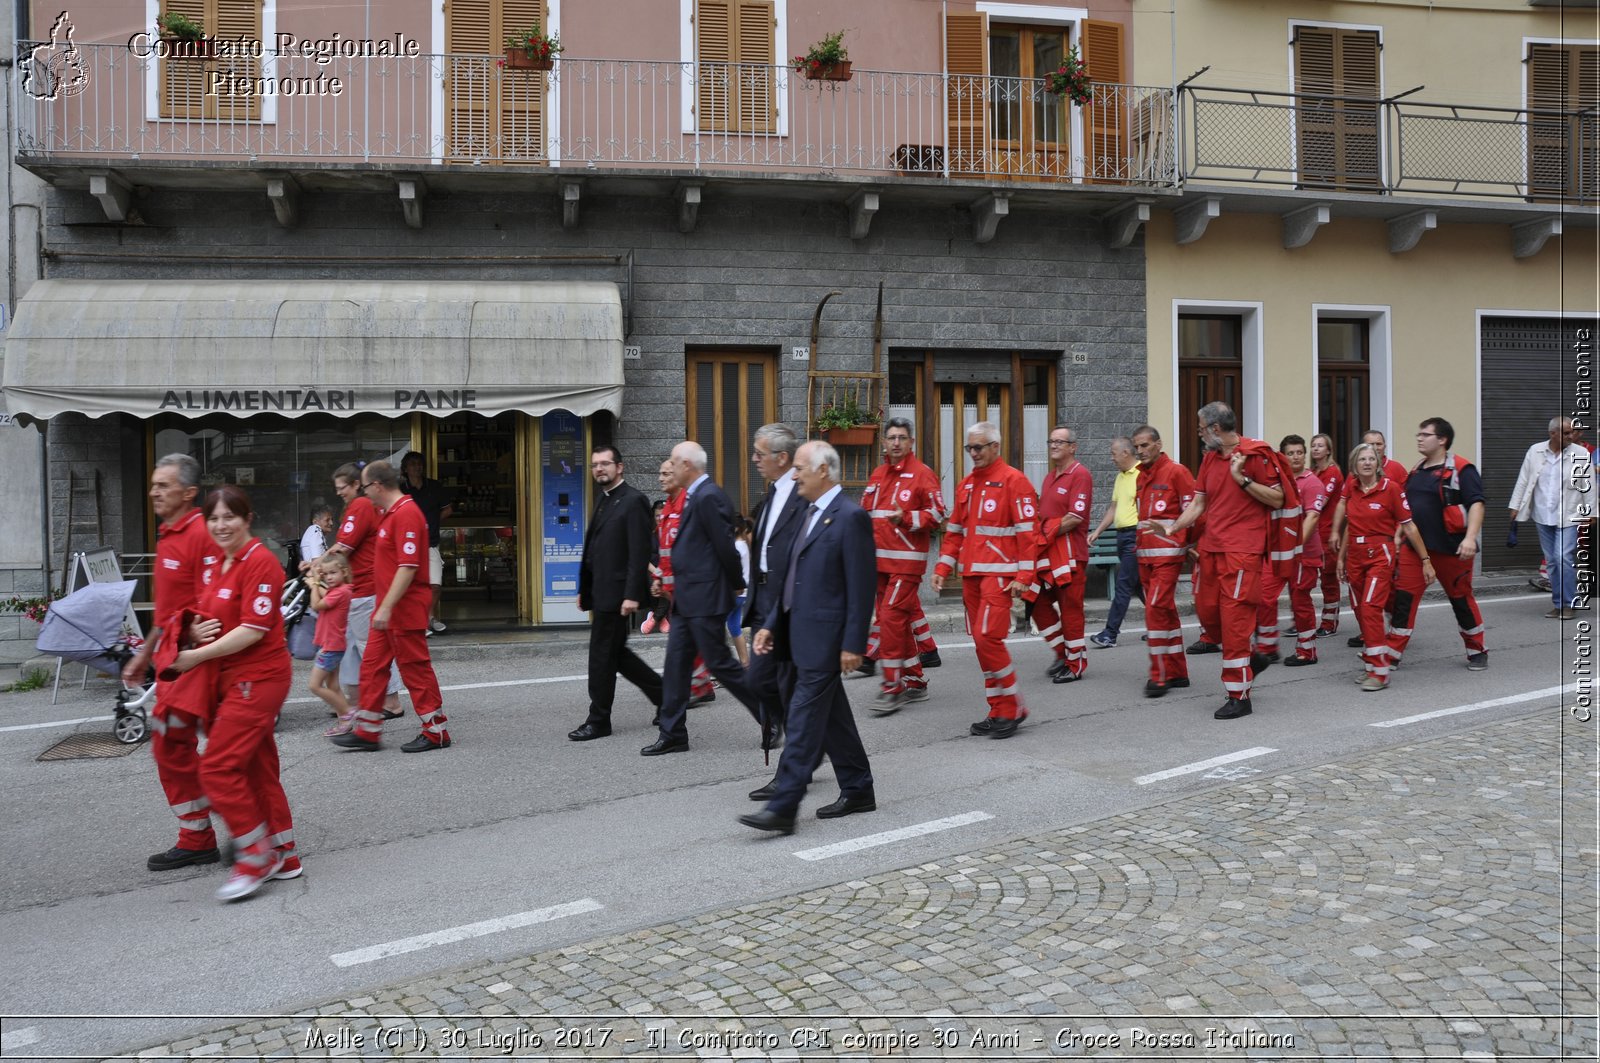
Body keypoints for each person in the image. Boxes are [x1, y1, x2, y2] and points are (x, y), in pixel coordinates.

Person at [164, 484, 299, 902]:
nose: (221, 525)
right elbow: (211, 616)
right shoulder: (219, 565)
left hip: (256, 681)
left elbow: (252, 630)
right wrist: (189, 631)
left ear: (248, 519)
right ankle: (283, 854)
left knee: (218, 769)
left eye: (230, 517)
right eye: (214, 518)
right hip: (231, 681)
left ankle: (254, 854)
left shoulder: (261, 562)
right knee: (257, 769)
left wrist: (195, 655)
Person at [742, 441, 877, 835]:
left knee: (801, 721)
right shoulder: (810, 513)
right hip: (798, 634)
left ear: (824, 471)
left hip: (827, 639)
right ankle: (858, 788)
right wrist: (770, 624)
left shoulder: (850, 517)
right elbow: (792, 580)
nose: (795, 474)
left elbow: (862, 586)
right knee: (833, 719)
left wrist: (854, 644)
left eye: (801, 467)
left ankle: (784, 806)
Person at [1158, 402, 1297, 721]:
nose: (1199, 432)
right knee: (1209, 616)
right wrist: (1173, 527)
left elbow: (1278, 498)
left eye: (1201, 427)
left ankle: (1239, 694)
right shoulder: (1209, 458)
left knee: (1235, 624)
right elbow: (1199, 502)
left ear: (1216, 429)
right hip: (1212, 550)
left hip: (1242, 552)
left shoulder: (1255, 456)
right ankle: (1251, 661)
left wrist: (1243, 479)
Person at [125, 454, 223, 872]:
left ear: (188, 493)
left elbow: (215, 595)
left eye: (162, 485)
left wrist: (192, 634)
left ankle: (233, 827)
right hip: (172, 662)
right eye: (152, 485)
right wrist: (145, 654)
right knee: (173, 746)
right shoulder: (169, 533)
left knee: (224, 751)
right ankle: (200, 833)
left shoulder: (202, 533)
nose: (153, 492)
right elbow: (168, 612)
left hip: (196, 664)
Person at [644, 442, 761, 756]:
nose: (668, 468)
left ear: (686, 464)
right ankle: (673, 734)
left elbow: (725, 547)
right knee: (676, 667)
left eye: (672, 461)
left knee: (722, 665)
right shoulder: (695, 496)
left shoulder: (708, 496)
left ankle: (770, 716)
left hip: (706, 599)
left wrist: (736, 585)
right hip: (687, 599)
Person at [330, 461, 452, 752]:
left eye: (365, 486)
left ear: (377, 486)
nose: (364, 492)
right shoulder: (391, 513)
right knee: (372, 667)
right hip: (388, 609)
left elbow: (408, 567)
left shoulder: (406, 513)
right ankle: (368, 729)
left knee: (415, 670)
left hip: (402, 609)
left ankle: (436, 731)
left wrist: (385, 607)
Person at [931, 421, 1040, 739]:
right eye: (970, 448)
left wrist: (1024, 575)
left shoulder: (1014, 481)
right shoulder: (965, 485)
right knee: (981, 644)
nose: (973, 453)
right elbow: (954, 533)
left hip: (999, 576)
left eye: (979, 447)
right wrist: (941, 569)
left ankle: (1014, 705)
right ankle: (997, 709)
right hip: (972, 576)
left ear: (996, 446)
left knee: (987, 639)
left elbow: (1028, 536)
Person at [568, 445, 663, 741]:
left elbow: (639, 551)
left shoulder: (634, 500)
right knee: (616, 655)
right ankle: (668, 697)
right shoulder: (604, 499)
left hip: (619, 594)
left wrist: (632, 594)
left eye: (606, 464)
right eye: (595, 464)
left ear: (620, 467)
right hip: (602, 592)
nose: (600, 469)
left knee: (601, 657)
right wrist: (585, 590)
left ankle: (599, 720)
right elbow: (595, 550)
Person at [1387, 417, 1488, 671]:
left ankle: (1477, 649)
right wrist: (1400, 532)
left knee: (1460, 600)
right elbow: (1409, 509)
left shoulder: (1462, 469)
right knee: (1404, 600)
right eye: (1418, 434)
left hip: (1452, 549)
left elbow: (1476, 503)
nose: (1419, 438)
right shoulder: (1417, 469)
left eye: (1425, 434)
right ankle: (1391, 653)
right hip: (1417, 549)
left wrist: (1469, 538)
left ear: (1442, 440)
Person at [860, 416, 946, 714]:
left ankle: (891, 686)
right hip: (877, 565)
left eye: (901, 438)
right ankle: (915, 680)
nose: (896, 443)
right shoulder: (878, 474)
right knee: (899, 623)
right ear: (884, 442)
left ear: (911, 442)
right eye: (891, 438)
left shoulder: (923, 474)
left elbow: (938, 514)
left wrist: (907, 519)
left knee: (892, 620)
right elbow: (865, 516)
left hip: (906, 565)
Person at [1338, 444, 1433, 692]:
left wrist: (1425, 560)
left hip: (1380, 554)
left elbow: (1409, 526)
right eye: (1362, 459)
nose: (1367, 463)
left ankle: (1380, 672)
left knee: (1371, 608)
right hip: (1355, 557)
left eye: (1371, 459)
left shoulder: (1390, 489)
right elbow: (1350, 525)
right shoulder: (1352, 488)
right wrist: (1341, 557)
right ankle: (1372, 666)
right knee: (1362, 612)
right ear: (1354, 466)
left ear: (1378, 464)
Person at [322, 463, 404, 719]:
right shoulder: (369, 506)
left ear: (358, 484)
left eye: (342, 487)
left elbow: (343, 547)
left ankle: (389, 702)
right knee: (354, 647)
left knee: (367, 647)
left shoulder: (360, 506)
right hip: (361, 588)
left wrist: (317, 565)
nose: (339, 493)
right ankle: (358, 700)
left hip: (364, 589)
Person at [744, 424, 808, 751]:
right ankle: (799, 731)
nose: (754, 459)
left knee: (789, 682)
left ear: (782, 457)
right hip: (763, 598)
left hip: (786, 600)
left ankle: (801, 747)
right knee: (757, 679)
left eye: (760, 453)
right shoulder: (771, 492)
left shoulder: (800, 493)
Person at [1254, 435, 1331, 667]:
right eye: (1291, 453)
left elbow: (1312, 517)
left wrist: (1295, 546)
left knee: (1300, 601)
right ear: (1282, 456)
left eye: (1299, 452)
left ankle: (1307, 651)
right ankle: (1267, 647)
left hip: (1303, 554)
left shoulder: (1312, 482)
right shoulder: (1277, 481)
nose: (1296, 457)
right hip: (1277, 553)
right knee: (1264, 596)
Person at [1130, 426, 1196, 698]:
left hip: (1168, 557)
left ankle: (1159, 676)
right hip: (1146, 557)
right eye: (1137, 447)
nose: (1140, 451)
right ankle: (1178, 671)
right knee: (1166, 611)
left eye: (1145, 445)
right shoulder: (1141, 477)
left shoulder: (1177, 472)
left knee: (1155, 609)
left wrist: (1188, 544)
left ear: (1158, 444)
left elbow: (1193, 511)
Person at [1508, 416, 1591, 620]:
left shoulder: (1580, 453)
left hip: (1569, 514)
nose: (1571, 436)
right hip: (1543, 515)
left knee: (1563, 557)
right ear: (1552, 433)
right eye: (1566, 433)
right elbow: (1524, 479)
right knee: (1553, 562)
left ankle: (1569, 603)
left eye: (1571, 432)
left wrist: (1590, 512)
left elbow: (1588, 484)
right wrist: (1515, 505)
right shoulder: (1535, 451)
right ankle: (1558, 603)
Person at [1032, 426, 1093, 683]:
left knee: (1070, 609)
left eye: (1060, 442)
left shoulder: (1081, 475)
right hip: (1047, 554)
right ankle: (1061, 652)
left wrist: (1042, 535)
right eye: (1051, 441)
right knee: (1034, 600)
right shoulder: (1049, 478)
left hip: (1070, 555)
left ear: (1073, 447)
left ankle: (1076, 661)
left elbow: (1074, 518)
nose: (1054, 445)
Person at [1087, 437, 1144, 648]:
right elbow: (1113, 508)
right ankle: (1162, 628)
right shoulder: (1121, 477)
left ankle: (1110, 633)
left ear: (1126, 453)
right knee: (1139, 585)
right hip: (1122, 536)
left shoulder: (1141, 474)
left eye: (1113, 453)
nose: (1111, 458)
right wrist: (1098, 532)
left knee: (1123, 584)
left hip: (1135, 536)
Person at [400, 452, 455, 636]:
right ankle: (419, 622)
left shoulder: (434, 486)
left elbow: (448, 509)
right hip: (408, 545)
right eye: (413, 464)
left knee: (435, 585)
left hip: (430, 542)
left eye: (419, 464)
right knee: (412, 586)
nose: (417, 467)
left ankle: (428, 618)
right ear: (405, 468)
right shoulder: (401, 489)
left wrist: (432, 522)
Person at [307, 553, 355, 735]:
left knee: (314, 685)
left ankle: (348, 711)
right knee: (333, 686)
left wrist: (315, 583)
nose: (329, 577)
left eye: (333, 573)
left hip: (331, 647)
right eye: (326, 574)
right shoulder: (339, 591)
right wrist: (315, 577)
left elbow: (316, 605)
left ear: (344, 572)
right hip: (333, 645)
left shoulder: (342, 592)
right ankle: (345, 722)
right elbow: (324, 594)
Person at [1308, 433, 1344, 637]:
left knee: (1329, 579)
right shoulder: (1313, 472)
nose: (1316, 449)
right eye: (1313, 445)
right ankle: (1304, 620)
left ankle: (1329, 622)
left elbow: (1320, 500)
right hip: (1314, 532)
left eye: (1320, 446)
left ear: (1328, 450)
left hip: (1327, 533)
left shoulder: (1332, 472)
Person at [730, 516, 753, 666]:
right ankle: (745, 662)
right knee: (733, 626)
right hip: (742, 593)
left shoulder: (736, 546)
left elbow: (733, 571)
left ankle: (722, 667)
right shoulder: (744, 544)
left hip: (735, 592)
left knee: (717, 628)